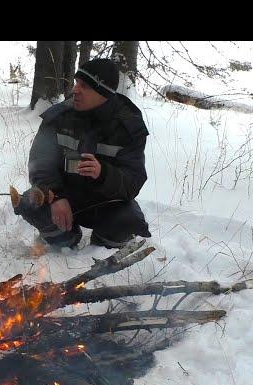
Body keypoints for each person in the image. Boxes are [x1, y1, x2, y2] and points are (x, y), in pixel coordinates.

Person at [14, 58, 151, 249]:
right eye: (77, 83)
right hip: (65, 195)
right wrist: (56, 196)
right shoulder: (59, 116)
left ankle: (101, 246)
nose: (75, 90)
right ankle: (65, 239)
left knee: (129, 221)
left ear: (104, 93)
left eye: (84, 86)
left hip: (105, 202)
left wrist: (103, 174)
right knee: (29, 203)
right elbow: (40, 163)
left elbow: (133, 180)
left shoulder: (127, 126)